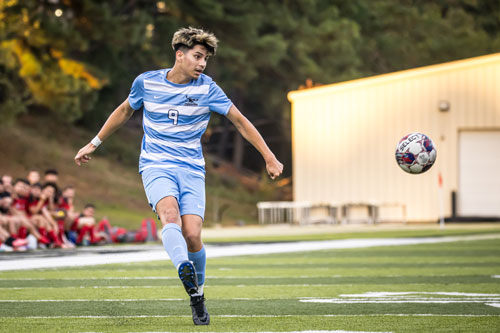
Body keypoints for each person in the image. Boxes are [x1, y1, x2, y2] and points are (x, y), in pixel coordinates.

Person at [74, 27, 283, 325]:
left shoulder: (208, 88)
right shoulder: (146, 82)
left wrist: (269, 156)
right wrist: (94, 143)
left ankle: (197, 294)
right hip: (156, 164)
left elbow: (239, 120)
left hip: (192, 169)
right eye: (197, 56)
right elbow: (123, 111)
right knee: (169, 215)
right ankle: (183, 266)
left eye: (206, 59)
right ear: (180, 54)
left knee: (193, 234)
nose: (202, 64)